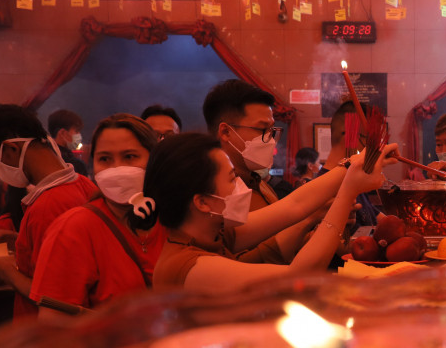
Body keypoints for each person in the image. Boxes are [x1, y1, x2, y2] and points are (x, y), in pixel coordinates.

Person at [140, 133, 396, 291]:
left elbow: (293, 205)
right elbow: (299, 276)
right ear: (203, 203)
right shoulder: (190, 266)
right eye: (231, 179)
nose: (240, 187)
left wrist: (360, 161)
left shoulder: (213, 233)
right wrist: (348, 191)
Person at [0, 104, 98, 318]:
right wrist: (11, 239)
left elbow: (57, 300)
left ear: (12, 149)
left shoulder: (49, 205)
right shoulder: (82, 184)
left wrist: (5, 272)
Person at [29, 114, 163, 319]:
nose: (116, 168)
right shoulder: (74, 229)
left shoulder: (172, 218)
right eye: (105, 159)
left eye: (129, 156)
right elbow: (53, 325)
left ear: (154, 161)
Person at [202, 79, 283, 211]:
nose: (271, 140)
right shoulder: (216, 195)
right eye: (262, 129)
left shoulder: (259, 183)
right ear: (226, 132)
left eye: (271, 131)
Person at [321, 101, 380, 228]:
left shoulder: (353, 179)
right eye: (372, 139)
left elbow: (377, 218)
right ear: (351, 135)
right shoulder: (325, 190)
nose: (376, 148)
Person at [47, 109, 89, 176]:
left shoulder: (43, 159)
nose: (79, 135)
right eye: (76, 131)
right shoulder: (76, 166)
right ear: (63, 133)